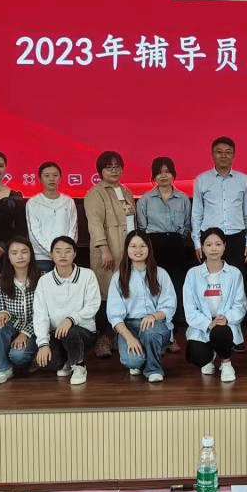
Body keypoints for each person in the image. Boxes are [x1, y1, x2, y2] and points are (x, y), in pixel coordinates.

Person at [85, 150, 137, 357]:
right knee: (106, 295)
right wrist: (104, 249)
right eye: (109, 167)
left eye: (117, 167)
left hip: (128, 250)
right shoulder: (95, 193)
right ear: (100, 171)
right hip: (108, 250)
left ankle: (119, 337)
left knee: (125, 294)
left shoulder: (126, 191)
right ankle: (102, 339)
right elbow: (95, 224)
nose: (114, 171)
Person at [107, 231, 176, 383]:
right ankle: (145, 356)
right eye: (133, 246)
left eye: (142, 246)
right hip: (129, 326)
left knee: (150, 332)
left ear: (149, 248)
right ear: (126, 249)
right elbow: (114, 315)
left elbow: (169, 305)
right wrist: (129, 337)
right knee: (132, 361)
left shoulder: (161, 273)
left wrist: (154, 316)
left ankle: (154, 369)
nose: (138, 250)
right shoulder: (118, 277)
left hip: (155, 323)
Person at [33, 235, 100, 385]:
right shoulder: (44, 281)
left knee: (71, 331)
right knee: (51, 363)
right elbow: (40, 314)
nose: (63, 255)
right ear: (51, 255)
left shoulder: (87, 275)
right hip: (56, 333)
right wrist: (43, 343)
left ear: (75, 254)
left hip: (83, 332)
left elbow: (93, 305)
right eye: (58, 251)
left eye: (68, 251)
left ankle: (79, 365)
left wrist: (71, 319)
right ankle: (67, 361)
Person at [183, 228, 246, 383]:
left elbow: (240, 304)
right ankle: (210, 355)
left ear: (224, 246)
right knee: (197, 355)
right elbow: (189, 309)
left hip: (224, 323)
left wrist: (227, 318)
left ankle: (226, 363)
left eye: (218, 244)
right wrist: (207, 324)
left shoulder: (234, 273)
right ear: (202, 248)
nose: (213, 249)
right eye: (209, 244)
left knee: (221, 332)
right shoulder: (193, 274)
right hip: (203, 324)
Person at [137, 156, 194, 327]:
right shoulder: (145, 200)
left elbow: (187, 225)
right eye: (159, 173)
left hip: (177, 245)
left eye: (167, 172)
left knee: (177, 282)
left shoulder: (183, 199)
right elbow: (142, 227)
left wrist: (180, 238)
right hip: (154, 245)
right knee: (155, 282)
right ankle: (156, 318)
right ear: (153, 176)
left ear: (173, 174)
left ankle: (176, 320)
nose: (163, 176)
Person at [191, 136, 247, 270]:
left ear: (234, 155)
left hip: (236, 239)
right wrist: (197, 243)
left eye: (228, 152)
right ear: (212, 154)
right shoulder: (201, 180)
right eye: (219, 152)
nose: (223, 156)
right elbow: (197, 214)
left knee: (236, 277)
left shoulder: (244, 180)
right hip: (210, 238)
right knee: (210, 278)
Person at [0, 236, 41, 384]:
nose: (20, 256)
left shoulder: (41, 279)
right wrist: (2, 313)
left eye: (24, 252)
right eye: (14, 253)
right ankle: (3, 368)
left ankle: (30, 359)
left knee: (18, 356)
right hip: (11, 328)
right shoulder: (0, 281)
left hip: (35, 330)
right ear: (8, 257)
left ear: (31, 255)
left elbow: (44, 313)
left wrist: (25, 333)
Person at [26, 161, 77, 274]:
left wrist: (65, 251)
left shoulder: (68, 202)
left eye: (55, 175)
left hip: (65, 257)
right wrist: (53, 252)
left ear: (60, 178)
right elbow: (34, 232)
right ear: (40, 179)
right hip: (42, 258)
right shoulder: (33, 203)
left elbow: (73, 229)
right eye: (47, 176)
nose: (51, 179)